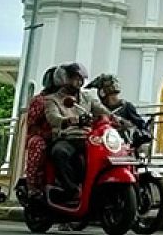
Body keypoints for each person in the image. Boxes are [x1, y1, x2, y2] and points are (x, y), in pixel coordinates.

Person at [43, 62, 114, 202]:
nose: (79, 81)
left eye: (81, 78)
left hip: (87, 138)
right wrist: (69, 120)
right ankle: (72, 190)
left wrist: (116, 118)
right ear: (65, 79)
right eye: (75, 78)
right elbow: (53, 118)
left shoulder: (88, 97)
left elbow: (101, 109)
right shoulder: (52, 99)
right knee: (60, 152)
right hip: (66, 138)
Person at [22, 67, 58, 198]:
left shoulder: (69, 99)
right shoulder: (40, 100)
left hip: (64, 135)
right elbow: (32, 124)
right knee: (38, 145)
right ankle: (33, 185)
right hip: (43, 136)